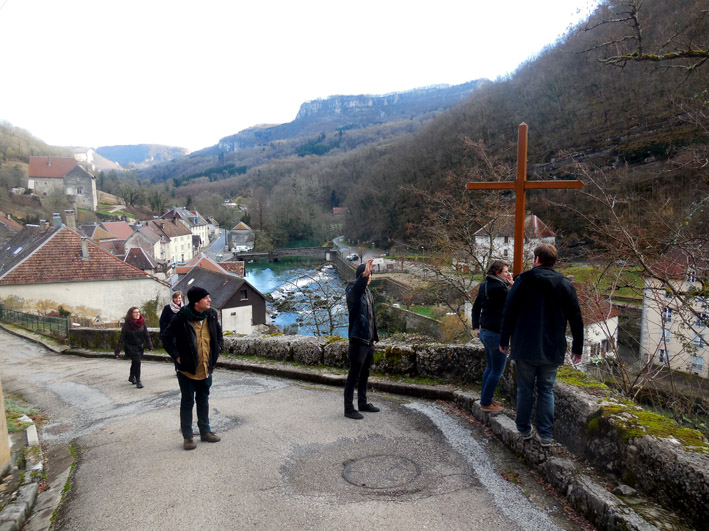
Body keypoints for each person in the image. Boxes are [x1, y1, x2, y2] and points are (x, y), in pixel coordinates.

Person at [499, 244, 583, 447]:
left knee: (525, 389)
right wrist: (577, 348)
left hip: (525, 344)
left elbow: (509, 313)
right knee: (546, 390)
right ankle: (545, 435)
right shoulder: (565, 285)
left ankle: (524, 429)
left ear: (537, 259)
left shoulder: (523, 282)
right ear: (553, 261)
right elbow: (576, 318)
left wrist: (504, 341)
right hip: (552, 346)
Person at [161, 286, 224, 450]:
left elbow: (218, 334)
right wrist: (177, 356)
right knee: (187, 402)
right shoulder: (181, 317)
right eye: (206, 298)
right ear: (197, 302)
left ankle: (205, 432)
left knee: (203, 400)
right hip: (187, 370)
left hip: (206, 368)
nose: (210, 300)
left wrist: (217, 349)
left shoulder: (211, 315)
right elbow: (166, 338)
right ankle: (188, 437)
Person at [472, 260, 513, 413]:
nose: (508, 274)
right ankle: (486, 402)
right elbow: (514, 303)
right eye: (505, 272)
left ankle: (486, 397)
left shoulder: (484, 285)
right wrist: (512, 285)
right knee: (497, 370)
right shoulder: (500, 289)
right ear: (497, 273)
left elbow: (476, 308)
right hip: (497, 333)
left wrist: (476, 327)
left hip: (485, 331)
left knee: (490, 368)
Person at [344, 258, 379, 420]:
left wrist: (374, 338)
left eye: (370, 274)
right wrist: (363, 277)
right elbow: (355, 293)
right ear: (362, 277)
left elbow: (372, 316)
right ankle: (349, 408)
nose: (370, 277)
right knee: (354, 375)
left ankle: (363, 403)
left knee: (365, 373)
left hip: (368, 340)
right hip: (358, 339)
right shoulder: (352, 290)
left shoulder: (368, 293)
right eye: (368, 274)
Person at [114, 306, 153, 389]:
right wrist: (117, 351)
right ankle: (138, 380)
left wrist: (150, 346)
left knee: (135, 362)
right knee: (137, 362)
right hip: (130, 347)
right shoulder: (127, 325)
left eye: (138, 312)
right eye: (135, 312)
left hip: (139, 347)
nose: (137, 314)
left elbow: (147, 335)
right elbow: (121, 338)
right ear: (131, 314)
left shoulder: (142, 323)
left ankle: (131, 377)